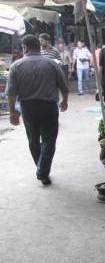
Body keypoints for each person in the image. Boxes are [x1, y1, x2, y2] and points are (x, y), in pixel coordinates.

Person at [6, 35, 69, 186]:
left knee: (33, 139)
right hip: (49, 107)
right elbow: (63, 85)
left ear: (25, 48)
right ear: (38, 47)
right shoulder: (51, 63)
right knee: (49, 139)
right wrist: (64, 100)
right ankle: (43, 171)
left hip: (28, 107)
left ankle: (42, 170)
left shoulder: (16, 66)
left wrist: (12, 112)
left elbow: (11, 92)